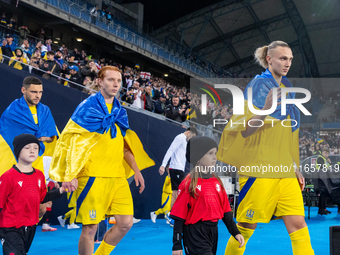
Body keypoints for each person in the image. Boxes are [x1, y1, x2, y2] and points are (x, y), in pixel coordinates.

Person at [217, 41, 314, 255]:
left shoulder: (287, 89)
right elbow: (245, 130)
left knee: (298, 224)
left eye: (290, 59)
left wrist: (295, 167)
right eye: (282, 58)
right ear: (269, 59)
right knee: (245, 227)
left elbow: (286, 134)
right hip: (259, 169)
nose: (287, 63)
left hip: (284, 171)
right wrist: (265, 109)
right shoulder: (257, 86)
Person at [49, 66, 154, 255]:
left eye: (119, 81)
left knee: (125, 224)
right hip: (92, 176)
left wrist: (137, 171)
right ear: (99, 81)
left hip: (117, 177)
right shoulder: (87, 108)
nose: (115, 84)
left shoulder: (120, 111)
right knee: (90, 229)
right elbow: (71, 143)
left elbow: (124, 146)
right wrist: (69, 175)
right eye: (111, 80)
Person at [171, 136, 244, 255]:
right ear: (198, 158)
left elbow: (226, 212)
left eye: (215, 153)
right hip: (195, 233)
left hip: (213, 232)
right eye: (210, 153)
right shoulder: (189, 183)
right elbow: (179, 217)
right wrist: (177, 244)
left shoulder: (217, 182)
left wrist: (236, 232)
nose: (215, 157)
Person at [0, 134, 65, 255]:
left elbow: (42, 198)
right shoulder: (8, 177)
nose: (32, 151)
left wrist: (61, 190)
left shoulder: (39, 175)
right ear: (18, 151)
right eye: (27, 147)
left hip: (30, 226)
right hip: (10, 227)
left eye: (36, 147)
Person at [159, 127, 197, 224]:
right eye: (192, 137)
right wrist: (163, 165)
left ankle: (172, 216)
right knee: (177, 193)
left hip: (179, 169)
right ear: (188, 132)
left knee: (178, 193)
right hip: (175, 169)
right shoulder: (180, 138)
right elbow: (170, 150)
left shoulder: (185, 141)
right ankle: (171, 215)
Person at [316, 148, 332, 215]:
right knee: (322, 193)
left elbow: (327, 168)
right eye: (325, 153)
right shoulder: (320, 158)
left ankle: (324, 208)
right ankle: (321, 209)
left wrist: (329, 163)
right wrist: (329, 163)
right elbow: (323, 168)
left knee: (324, 194)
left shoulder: (324, 159)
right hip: (320, 178)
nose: (326, 154)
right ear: (322, 152)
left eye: (327, 153)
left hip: (324, 178)